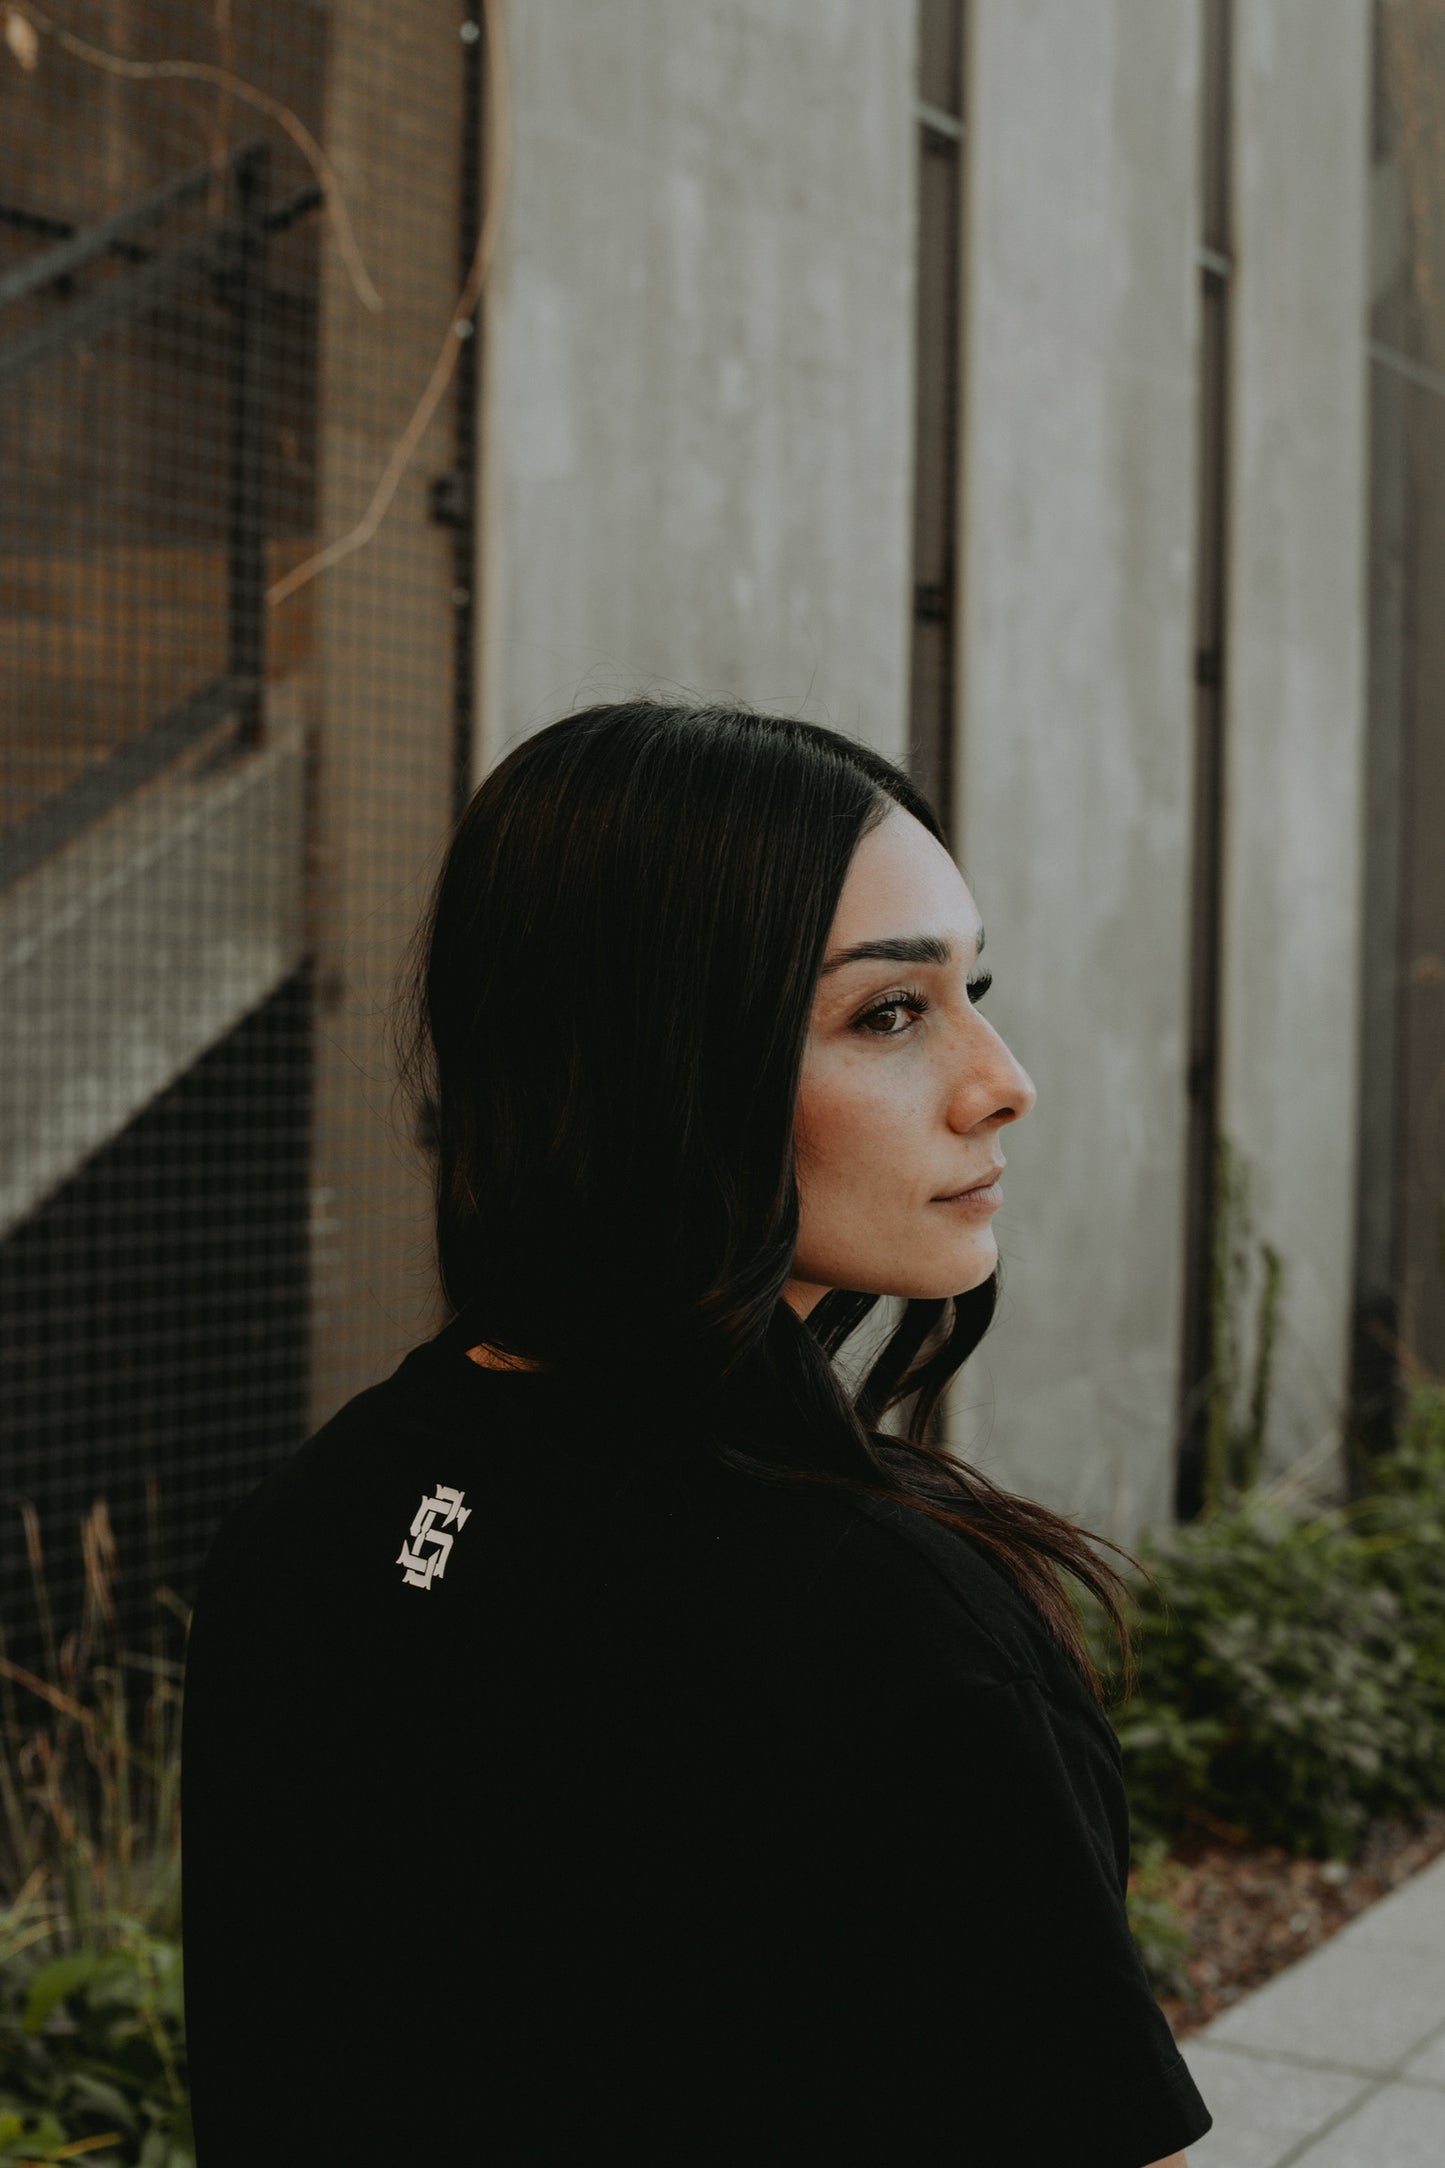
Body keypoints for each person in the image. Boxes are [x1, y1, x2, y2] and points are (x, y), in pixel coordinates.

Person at [180, 700, 1211, 2165]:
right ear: (659, 1062)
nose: (1002, 1081)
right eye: (889, 1013)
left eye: (969, 990)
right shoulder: (881, 1630)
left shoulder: (316, 1521)